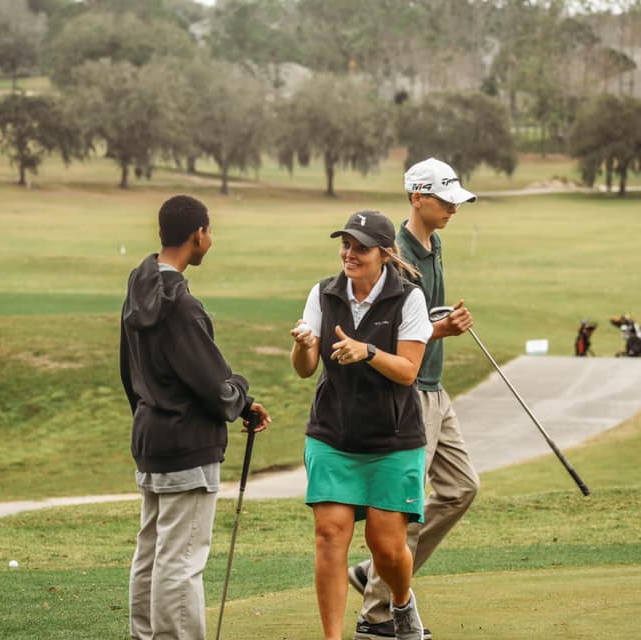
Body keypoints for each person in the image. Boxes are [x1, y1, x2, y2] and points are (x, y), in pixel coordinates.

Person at [120, 194, 271, 640]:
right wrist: (241, 393)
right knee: (181, 561)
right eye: (210, 232)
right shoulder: (182, 306)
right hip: (187, 446)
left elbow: (129, 371)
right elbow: (211, 385)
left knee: (151, 553)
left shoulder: (139, 286)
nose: (211, 239)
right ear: (198, 235)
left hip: (151, 436)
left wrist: (152, 410)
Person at [347, 158, 481, 640]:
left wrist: (444, 322)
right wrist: (439, 329)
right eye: (445, 200)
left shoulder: (435, 243)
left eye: (454, 201)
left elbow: (427, 316)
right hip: (407, 394)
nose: (452, 209)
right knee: (405, 508)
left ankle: (376, 570)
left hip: (436, 389)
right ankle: (376, 614)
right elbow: (383, 326)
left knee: (462, 488)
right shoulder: (394, 253)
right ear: (417, 197)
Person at [291, 210, 433, 640]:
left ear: (385, 254)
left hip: (392, 439)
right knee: (329, 535)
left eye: (360, 247)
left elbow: (409, 370)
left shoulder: (409, 298)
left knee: (386, 547)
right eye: (345, 244)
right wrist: (302, 346)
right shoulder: (324, 293)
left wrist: (367, 351)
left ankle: (402, 602)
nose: (349, 254)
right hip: (333, 435)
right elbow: (305, 368)